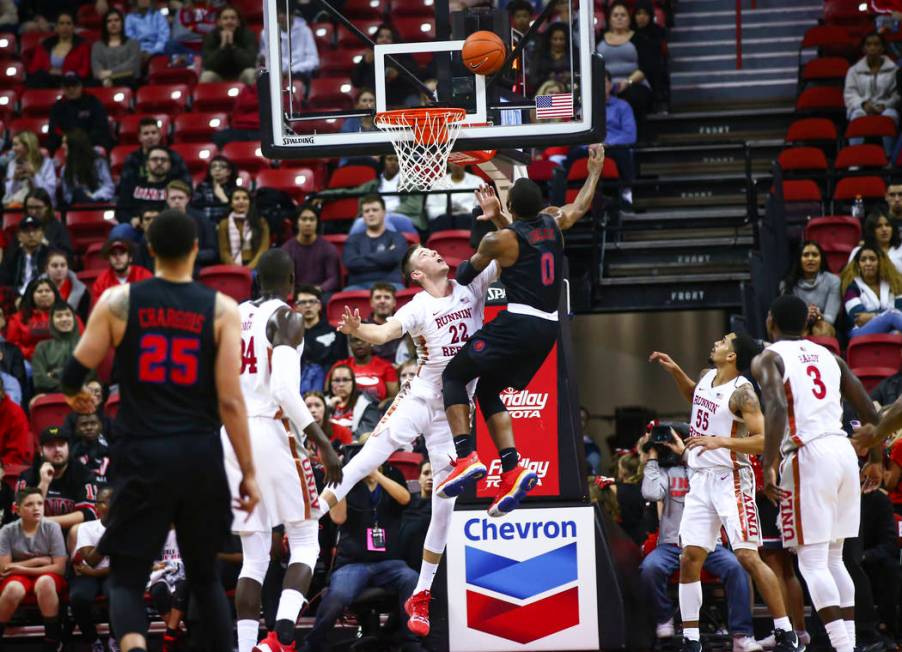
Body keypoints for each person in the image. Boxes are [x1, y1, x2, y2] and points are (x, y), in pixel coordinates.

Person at [60, 209, 260, 652]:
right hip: (197, 453)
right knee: (205, 577)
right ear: (195, 250)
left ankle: (132, 645)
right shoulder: (222, 309)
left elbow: (73, 374)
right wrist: (247, 470)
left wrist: (78, 400)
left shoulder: (118, 302)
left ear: (148, 251)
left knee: (127, 578)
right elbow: (230, 401)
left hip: (140, 453)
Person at [329, 239, 501, 637]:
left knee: (445, 502)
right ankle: (313, 514)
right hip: (422, 397)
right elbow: (385, 331)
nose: (434, 252)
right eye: (424, 253)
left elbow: (507, 250)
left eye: (431, 249)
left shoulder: (470, 288)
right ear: (417, 275)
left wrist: (498, 213)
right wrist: (359, 329)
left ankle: (421, 595)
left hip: (453, 412)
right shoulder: (418, 305)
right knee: (369, 456)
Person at [437, 146, 604, 515]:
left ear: (510, 207)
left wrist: (488, 224)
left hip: (518, 323)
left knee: (453, 376)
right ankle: (512, 468)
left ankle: (466, 457)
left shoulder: (498, 239)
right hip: (548, 329)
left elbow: (466, 275)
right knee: (489, 390)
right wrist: (594, 172)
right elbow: (580, 206)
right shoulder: (554, 221)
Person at [219, 248, 343, 652]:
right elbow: (285, 391)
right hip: (269, 429)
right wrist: (322, 442)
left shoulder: (233, 314)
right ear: (291, 282)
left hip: (231, 434)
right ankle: (285, 629)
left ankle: (247, 646)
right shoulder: (288, 317)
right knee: (306, 539)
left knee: (254, 556)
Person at [649, 336, 803, 652]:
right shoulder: (708, 376)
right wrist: (677, 372)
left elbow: (762, 440)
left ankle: (786, 632)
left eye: (722, 342)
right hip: (700, 478)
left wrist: (721, 441)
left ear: (732, 355)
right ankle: (691, 639)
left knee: (747, 555)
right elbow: (698, 397)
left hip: (731, 480)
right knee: (689, 557)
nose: (716, 342)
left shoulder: (744, 394)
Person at [754, 294, 881, 652]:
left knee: (811, 562)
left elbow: (777, 406)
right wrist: (875, 457)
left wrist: (767, 465)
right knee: (834, 558)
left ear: (770, 321)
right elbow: (867, 406)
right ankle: (849, 646)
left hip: (808, 454)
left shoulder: (769, 357)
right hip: (842, 451)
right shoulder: (831, 356)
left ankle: (843, 648)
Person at [636, 426, 761, 650]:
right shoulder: (665, 473)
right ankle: (665, 618)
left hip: (710, 546)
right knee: (649, 569)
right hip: (671, 546)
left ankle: (741, 634)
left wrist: (687, 451)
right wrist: (652, 458)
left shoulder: (703, 470)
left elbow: (703, 470)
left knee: (737, 568)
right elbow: (651, 493)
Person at [304, 459, 418, 651]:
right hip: (352, 563)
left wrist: (376, 474)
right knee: (338, 595)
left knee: (411, 578)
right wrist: (341, 480)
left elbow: (405, 498)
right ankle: (313, 643)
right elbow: (338, 518)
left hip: (389, 563)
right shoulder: (348, 483)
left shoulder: (392, 475)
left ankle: (410, 641)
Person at [0, 488, 67, 649]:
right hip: (21, 575)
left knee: (45, 584)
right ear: (17, 509)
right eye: (30, 504)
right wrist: (37, 560)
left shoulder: (52, 527)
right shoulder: (6, 531)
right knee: (13, 589)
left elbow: (59, 569)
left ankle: (53, 639)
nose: (36, 508)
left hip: (47, 574)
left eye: (39, 503)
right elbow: (4, 569)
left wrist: (21, 568)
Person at [15, 426, 98, 532]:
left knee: (78, 530)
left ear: (68, 447)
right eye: (51, 445)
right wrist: (44, 483)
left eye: (61, 444)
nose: (57, 449)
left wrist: (46, 522)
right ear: (41, 450)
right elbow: (21, 516)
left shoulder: (83, 474)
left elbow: (88, 514)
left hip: (70, 535)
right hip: (37, 536)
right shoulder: (27, 476)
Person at [69, 484, 115, 651]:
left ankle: (114, 638)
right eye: (107, 501)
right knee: (78, 598)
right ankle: (92, 638)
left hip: (111, 573)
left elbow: (124, 565)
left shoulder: (128, 528)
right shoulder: (86, 527)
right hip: (87, 574)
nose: (112, 504)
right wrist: (112, 533)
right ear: (97, 507)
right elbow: (92, 559)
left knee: (117, 593)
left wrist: (96, 571)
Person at [596, 2, 653, 124]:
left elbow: (646, 67)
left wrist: (628, 82)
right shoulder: (598, 38)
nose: (619, 18)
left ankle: (633, 138)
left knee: (634, 96)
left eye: (623, 15)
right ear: (609, 19)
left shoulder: (639, 38)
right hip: (604, 84)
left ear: (629, 18)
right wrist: (606, 85)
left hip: (633, 83)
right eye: (615, 15)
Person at [844, 32, 899, 151]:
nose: (872, 47)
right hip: (862, 107)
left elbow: (897, 95)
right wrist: (863, 104)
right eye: (868, 44)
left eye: (876, 44)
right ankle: (855, 158)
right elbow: (850, 94)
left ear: (882, 48)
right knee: (857, 115)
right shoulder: (854, 71)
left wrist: (885, 105)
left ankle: (888, 157)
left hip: (884, 107)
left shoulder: (894, 70)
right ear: (864, 48)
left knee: (890, 116)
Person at [343, 195, 408, 290]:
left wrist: (363, 258)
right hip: (358, 286)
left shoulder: (397, 237)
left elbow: (396, 258)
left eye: (375, 210)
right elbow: (351, 263)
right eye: (366, 211)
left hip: (391, 285)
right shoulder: (352, 239)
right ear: (363, 215)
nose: (371, 214)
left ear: (384, 212)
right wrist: (385, 255)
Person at [779, 240, 841, 338]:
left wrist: (818, 315)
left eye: (815, 255)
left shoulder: (833, 281)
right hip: (798, 325)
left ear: (821, 259)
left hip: (824, 323)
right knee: (800, 332)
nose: (811, 259)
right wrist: (805, 315)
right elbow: (788, 318)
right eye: (806, 255)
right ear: (799, 259)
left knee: (821, 330)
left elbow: (831, 318)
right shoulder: (786, 284)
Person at [840, 245, 902, 338]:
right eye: (863, 260)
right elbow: (858, 317)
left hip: (891, 328)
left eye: (872, 259)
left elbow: (901, 310)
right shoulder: (851, 286)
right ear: (858, 264)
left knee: (896, 334)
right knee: (892, 315)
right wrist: (887, 315)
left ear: (880, 263)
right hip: (859, 331)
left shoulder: (894, 283)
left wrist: (872, 315)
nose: (868, 263)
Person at [281, 203, 342, 294]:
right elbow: (284, 279)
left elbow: (333, 279)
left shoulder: (328, 248)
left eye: (312, 219)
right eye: (304, 219)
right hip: (296, 294)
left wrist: (318, 290)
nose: (308, 223)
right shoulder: (287, 249)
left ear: (317, 223)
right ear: (297, 223)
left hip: (321, 293)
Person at [32, 302, 88, 395]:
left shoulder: (85, 344)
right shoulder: (42, 347)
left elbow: (89, 375)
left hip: (82, 392)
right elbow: (39, 380)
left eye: (68, 315)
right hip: (51, 394)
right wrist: (68, 387)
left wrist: (55, 374)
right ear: (52, 321)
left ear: (74, 319)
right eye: (59, 316)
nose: (64, 319)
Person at [47, 72, 113, 152]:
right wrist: (69, 140)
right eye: (67, 86)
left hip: (92, 144)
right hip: (66, 144)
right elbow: (54, 129)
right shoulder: (58, 107)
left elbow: (100, 127)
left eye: (74, 85)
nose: (71, 89)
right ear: (63, 88)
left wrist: (82, 140)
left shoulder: (93, 102)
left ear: (81, 86)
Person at [120, 118, 191, 190]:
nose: (150, 136)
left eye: (154, 132)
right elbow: (126, 186)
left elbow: (185, 183)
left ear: (159, 135)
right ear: (139, 137)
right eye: (146, 133)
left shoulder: (173, 156)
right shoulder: (132, 159)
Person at [25, 11, 91, 88]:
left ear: (73, 27)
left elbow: (84, 71)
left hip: (70, 81)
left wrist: (64, 72)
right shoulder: (45, 45)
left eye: (68, 23)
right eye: (61, 23)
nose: (65, 27)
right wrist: (49, 71)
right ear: (56, 27)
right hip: (47, 80)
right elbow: (34, 68)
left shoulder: (82, 45)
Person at [115, 146, 176, 227]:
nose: (159, 163)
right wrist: (132, 220)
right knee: (121, 230)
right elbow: (120, 211)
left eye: (164, 160)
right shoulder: (133, 184)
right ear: (146, 164)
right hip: (136, 228)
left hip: (166, 228)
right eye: (155, 159)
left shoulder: (176, 187)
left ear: (169, 165)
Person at [164, 179, 219, 269]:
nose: (177, 201)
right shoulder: (159, 221)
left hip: (195, 267)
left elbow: (212, 252)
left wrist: (188, 256)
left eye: (181, 198)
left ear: (188, 199)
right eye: (173, 198)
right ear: (167, 200)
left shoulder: (202, 219)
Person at [330, 335, 399, 402]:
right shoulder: (339, 366)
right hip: (346, 410)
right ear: (349, 344)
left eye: (363, 339)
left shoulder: (386, 367)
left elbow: (394, 399)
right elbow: (328, 393)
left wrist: (382, 405)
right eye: (354, 340)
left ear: (371, 342)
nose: (359, 343)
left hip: (377, 410)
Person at [5, 277, 60, 360]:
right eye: (39, 291)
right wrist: (35, 354)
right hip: (28, 361)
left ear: (55, 294)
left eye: (48, 291)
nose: (44, 294)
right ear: (31, 295)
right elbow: (12, 346)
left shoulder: (67, 315)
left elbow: (78, 340)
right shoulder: (17, 318)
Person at [200, 5, 257, 85]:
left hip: (241, 76)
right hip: (219, 77)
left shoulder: (247, 35)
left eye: (233, 18)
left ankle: (254, 97)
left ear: (238, 22)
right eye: (225, 18)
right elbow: (207, 65)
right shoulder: (211, 36)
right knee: (206, 76)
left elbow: (250, 63)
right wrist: (222, 47)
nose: (229, 21)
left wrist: (233, 47)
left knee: (251, 73)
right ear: (219, 22)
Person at [59, 128, 116, 208]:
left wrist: (92, 197)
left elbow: (109, 187)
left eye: (65, 143)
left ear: (75, 145)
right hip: (78, 210)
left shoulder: (98, 163)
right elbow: (67, 197)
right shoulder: (65, 170)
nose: (62, 146)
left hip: (100, 204)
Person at [603, 69, 637, 204]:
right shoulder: (585, 108)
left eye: (603, 82)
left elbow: (630, 135)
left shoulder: (623, 106)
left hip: (615, 147)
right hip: (592, 147)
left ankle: (626, 194)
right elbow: (579, 131)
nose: (600, 86)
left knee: (622, 153)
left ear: (610, 85)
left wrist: (608, 143)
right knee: (573, 155)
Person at [295, 285, 347, 371]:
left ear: (319, 305)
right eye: (302, 302)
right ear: (296, 307)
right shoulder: (291, 336)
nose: (308, 306)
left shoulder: (336, 333)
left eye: (312, 301)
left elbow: (341, 365)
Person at [90, 237, 153, 307]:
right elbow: (99, 310)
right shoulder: (101, 282)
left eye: (122, 253)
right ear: (109, 259)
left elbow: (152, 305)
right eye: (114, 254)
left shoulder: (145, 276)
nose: (118, 257)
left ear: (130, 258)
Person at [262, 7, 318, 82]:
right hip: (275, 76)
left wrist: (292, 70)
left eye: (284, 13)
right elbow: (265, 59)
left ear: (292, 15)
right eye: (278, 14)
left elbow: (313, 61)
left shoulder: (305, 31)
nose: (281, 16)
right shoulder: (265, 33)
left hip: (298, 74)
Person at [0, 217, 52, 298]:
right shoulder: (12, 256)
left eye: (35, 230)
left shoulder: (51, 254)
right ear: (19, 236)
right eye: (26, 231)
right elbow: (4, 282)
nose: (31, 235)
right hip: (17, 296)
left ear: (42, 234)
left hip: (44, 294)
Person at [217, 187, 270, 268]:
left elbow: (263, 249)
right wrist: (236, 268)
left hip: (256, 266)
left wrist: (250, 268)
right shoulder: (224, 224)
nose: (241, 201)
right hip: (232, 266)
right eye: (236, 199)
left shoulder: (261, 222)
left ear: (250, 202)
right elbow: (224, 252)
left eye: (245, 198)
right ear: (231, 203)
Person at [3, 130, 56, 208]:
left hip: (42, 207)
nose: (13, 149)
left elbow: (50, 193)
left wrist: (34, 175)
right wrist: (15, 179)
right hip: (17, 206)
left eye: (16, 145)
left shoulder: (46, 163)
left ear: (28, 146)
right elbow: (9, 194)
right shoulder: (13, 164)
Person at [325, 364, 381, 437]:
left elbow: (365, 434)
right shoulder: (321, 403)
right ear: (330, 383)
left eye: (345, 380)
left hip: (353, 446)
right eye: (337, 380)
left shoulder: (367, 404)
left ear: (353, 383)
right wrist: (327, 409)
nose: (341, 384)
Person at [92, 8, 142, 88]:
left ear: (122, 23)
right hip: (104, 83)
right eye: (109, 21)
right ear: (105, 25)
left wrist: (110, 73)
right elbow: (97, 71)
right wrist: (106, 80)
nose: (113, 24)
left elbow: (134, 67)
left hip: (128, 83)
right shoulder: (97, 46)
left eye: (116, 20)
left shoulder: (133, 43)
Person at [425, 163, 483, 231]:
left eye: (459, 162)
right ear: (448, 163)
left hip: (469, 221)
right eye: (453, 162)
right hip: (442, 221)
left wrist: (464, 209)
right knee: (445, 220)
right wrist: (447, 210)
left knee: (463, 219)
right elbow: (431, 210)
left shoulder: (478, 181)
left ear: (465, 163)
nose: (456, 165)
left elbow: (482, 207)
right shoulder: (438, 183)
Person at [23, 188, 73, 257]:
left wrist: (46, 244)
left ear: (47, 207)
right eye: (30, 208)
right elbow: (8, 262)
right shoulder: (22, 228)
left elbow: (68, 258)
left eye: (38, 207)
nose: (34, 212)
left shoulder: (58, 228)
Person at [191, 155, 238, 224]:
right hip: (205, 225)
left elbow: (237, 211)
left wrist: (223, 198)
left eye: (222, 167)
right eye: (213, 166)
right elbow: (195, 209)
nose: (217, 169)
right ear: (210, 171)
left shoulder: (235, 189)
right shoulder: (202, 188)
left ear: (229, 172)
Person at [364, 283, 400, 363]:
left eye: (387, 297)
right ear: (371, 303)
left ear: (394, 302)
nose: (382, 301)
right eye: (378, 297)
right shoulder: (362, 327)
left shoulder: (404, 325)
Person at [531, 22, 572, 91]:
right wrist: (548, 78)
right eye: (555, 39)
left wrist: (570, 76)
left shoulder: (574, 56)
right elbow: (533, 80)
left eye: (562, 39)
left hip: (567, 94)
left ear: (567, 40)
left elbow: (580, 76)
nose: (558, 42)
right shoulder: (539, 56)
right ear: (549, 40)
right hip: (544, 93)